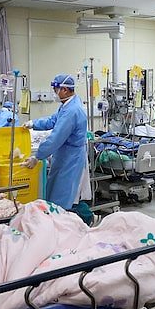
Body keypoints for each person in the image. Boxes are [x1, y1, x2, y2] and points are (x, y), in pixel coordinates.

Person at [24, 74, 92, 224]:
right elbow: (53, 120)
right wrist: (33, 124)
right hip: (65, 155)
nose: (55, 93)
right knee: (57, 192)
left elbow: (56, 138)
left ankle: (71, 226)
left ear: (65, 90)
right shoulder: (67, 105)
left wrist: (37, 156)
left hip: (71, 158)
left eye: (56, 90)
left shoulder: (72, 111)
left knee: (64, 196)